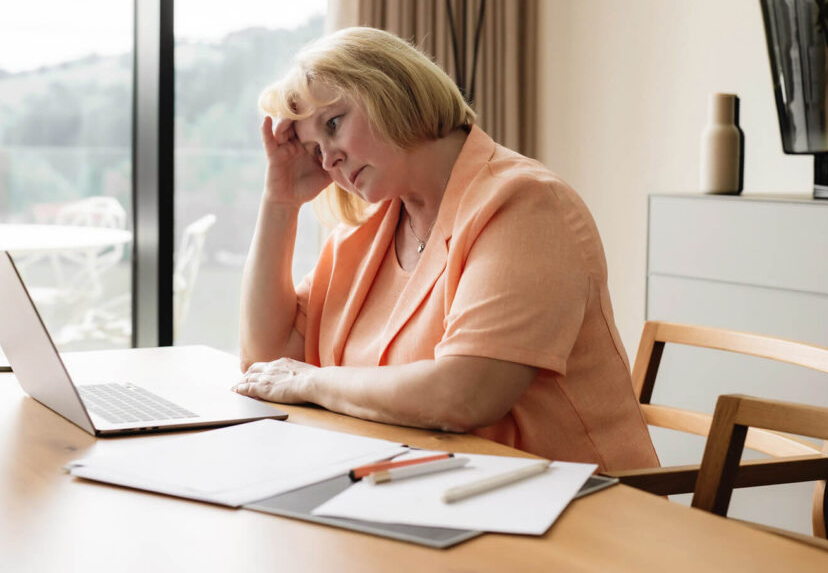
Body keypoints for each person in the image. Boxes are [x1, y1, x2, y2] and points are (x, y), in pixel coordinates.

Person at [232, 27, 658, 472]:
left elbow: (465, 394)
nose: (329, 159)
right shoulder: (363, 233)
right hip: (424, 492)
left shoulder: (526, 204)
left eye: (334, 124)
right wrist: (279, 203)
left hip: (576, 509)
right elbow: (267, 364)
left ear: (389, 90)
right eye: (316, 150)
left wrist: (314, 382)